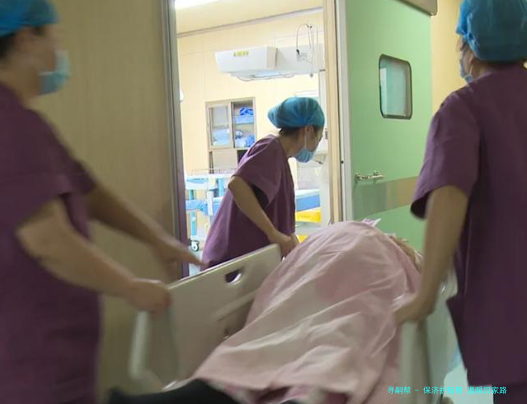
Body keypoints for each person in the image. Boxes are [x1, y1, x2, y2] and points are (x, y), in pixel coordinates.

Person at [0, 1, 201, 403]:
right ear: (25, 39)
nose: (59, 53)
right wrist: (129, 287)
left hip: (55, 357)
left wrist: (157, 239)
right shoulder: (9, 123)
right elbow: (47, 241)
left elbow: (90, 192)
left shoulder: (29, 125)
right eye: (54, 38)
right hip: (29, 362)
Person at [107, 221, 424, 404]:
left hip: (336, 281)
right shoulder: (369, 240)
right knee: (333, 341)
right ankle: (307, 394)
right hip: (335, 271)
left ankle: (208, 391)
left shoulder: (384, 252)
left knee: (293, 342)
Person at [395, 0, 527, 402]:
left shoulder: (465, 108)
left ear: (472, 45)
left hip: (513, 312)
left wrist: (425, 295)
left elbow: (449, 194)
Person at [201, 97, 325, 269]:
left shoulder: (281, 162)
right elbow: (236, 185)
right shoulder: (270, 148)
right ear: (308, 130)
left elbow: (286, 233)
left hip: (248, 263)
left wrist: (305, 262)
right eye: (318, 137)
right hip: (228, 261)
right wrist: (272, 233)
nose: (317, 143)